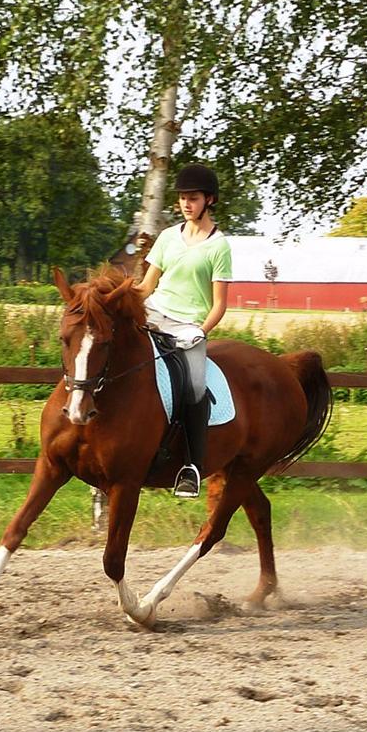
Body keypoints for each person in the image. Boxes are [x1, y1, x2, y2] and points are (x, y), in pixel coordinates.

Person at [136, 163, 232, 498]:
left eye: (192, 198)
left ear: (209, 200)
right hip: (154, 314)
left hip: (189, 326)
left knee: (194, 388)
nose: (185, 204)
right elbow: (147, 286)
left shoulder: (219, 246)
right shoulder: (166, 238)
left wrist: (201, 332)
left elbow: (219, 304)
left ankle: (190, 466)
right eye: (182, 199)